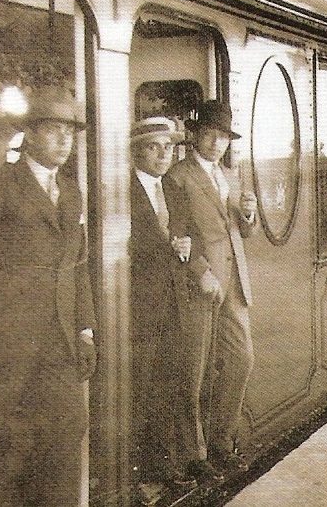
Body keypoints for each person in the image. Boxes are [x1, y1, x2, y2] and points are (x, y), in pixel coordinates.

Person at [0, 85, 97, 506]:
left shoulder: (70, 191)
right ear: (28, 135)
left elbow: (76, 267)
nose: (64, 140)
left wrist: (85, 330)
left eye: (70, 131)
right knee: (4, 451)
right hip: (4, 345)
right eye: (53, 130)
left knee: (66, 433)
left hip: (60, 343)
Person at [163, 100, 257, 484]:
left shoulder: (229, 176)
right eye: (211, 135)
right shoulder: (178, 178)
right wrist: (200, 271)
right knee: (195, 372)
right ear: (196, 135)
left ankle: (219, 441)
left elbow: (242, 233)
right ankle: (194, 455)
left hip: (233, 281)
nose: (217, 143)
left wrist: (248, 215)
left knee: (241, 359)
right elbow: (176, 235)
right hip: (198, 285)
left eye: (224, 137)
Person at [128, 116, 196, 500]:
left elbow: (188, 237)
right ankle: (135, 475)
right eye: (154, 147)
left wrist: (185, 247)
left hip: (173, 304)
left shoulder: (172, 188)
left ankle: (164, 467)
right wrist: (165, 248)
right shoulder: (121, 190)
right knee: (139, 389)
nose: (162, 154)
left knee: (168, 387)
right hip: (138, 307)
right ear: (137, 150)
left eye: (168, 147)